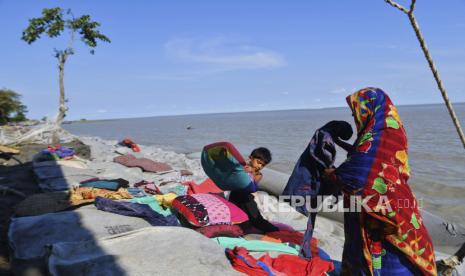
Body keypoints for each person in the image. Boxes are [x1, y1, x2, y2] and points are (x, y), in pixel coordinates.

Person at [325, 87, 437, 275]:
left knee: (388, 258)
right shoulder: (391, 128)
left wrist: (333, 174)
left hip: (381, 212)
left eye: (356, 112)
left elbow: (361, 176)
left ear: (368, 110)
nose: (355, 118)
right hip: (397, 204)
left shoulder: (379, 134)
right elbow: (371, 158)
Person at [282, 120, 353, 259]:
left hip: (313, 175)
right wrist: (332, 170)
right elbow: (322, 158)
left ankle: (306, 244)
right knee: (311, 207)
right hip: (312, 176)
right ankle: (306, 245)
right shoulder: (324, 136)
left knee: (312, 209)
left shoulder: (325, 134)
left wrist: (337, 143)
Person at [228, 147, 280, 233]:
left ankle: (275, 231)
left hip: (247, 198)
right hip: (235, 196)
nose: (259, 166)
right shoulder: (241, 167)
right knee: (238, 220)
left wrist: (251, 172)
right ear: (251, 157)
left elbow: (251, 187)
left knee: (257, 220)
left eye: (263, 165)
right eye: (258, 162)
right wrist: (244, 170)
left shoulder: (258, 174)